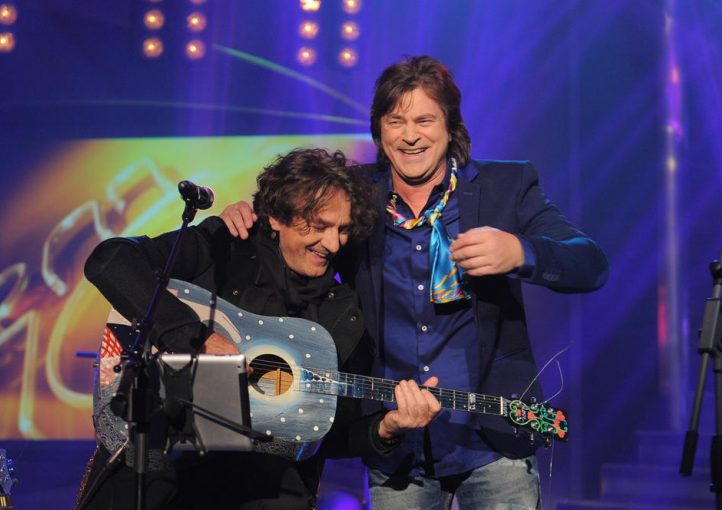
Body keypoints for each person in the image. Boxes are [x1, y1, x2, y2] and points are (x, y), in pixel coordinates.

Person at [220, 56, 609, 509]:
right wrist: (244, 216)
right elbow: (290, 224)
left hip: (495, 442)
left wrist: (521, 252)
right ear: (379, 129)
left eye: (425, 120)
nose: (410, 136)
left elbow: (591, 264)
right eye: (395, 121)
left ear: (450, 126)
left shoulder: (507, 186)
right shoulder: (353, 193)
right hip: (396, 446)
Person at [75, 148, 441, 510]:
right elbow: (110, 261)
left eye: (342, 229)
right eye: (318, 226)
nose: (332, 243)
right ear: (276, 217)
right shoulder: (224, 246)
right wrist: (194, 338)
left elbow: (326, 431)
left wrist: (387, 428)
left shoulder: (341, 313)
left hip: (266, 486)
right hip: (166, 460)